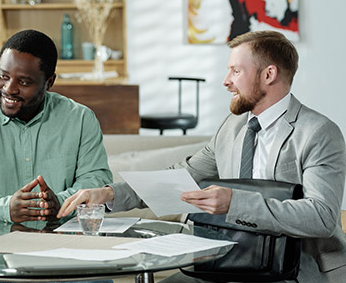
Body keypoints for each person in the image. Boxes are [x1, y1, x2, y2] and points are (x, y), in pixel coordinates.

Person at [58, 30, 346, 282]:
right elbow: (180, 177)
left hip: (294, 271)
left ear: (268, 74)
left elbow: (320, 216)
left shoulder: (318, 132)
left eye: (236, 71)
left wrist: (234, 203)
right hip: (231, 261)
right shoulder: (232, 128)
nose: (226, 81)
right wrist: (108, 194)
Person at [0, 29, 113, 223]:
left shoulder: (80, 120)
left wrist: (60, 204)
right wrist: (3, 208)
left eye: (24, 82)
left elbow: (96, 180)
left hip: (61, 244)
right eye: (3, 76)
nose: (9, 89)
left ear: (49, 82)